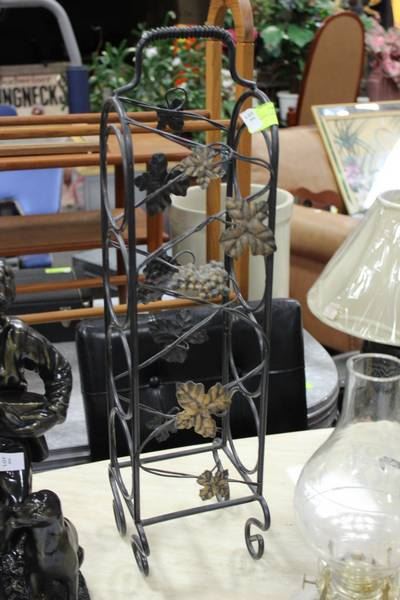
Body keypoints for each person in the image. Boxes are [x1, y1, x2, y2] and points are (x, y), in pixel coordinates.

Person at [0, 259, 72, 509]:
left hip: (9, 429)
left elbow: (58, 369)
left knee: (15, 504)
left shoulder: (17, 333)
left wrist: (55, 410)